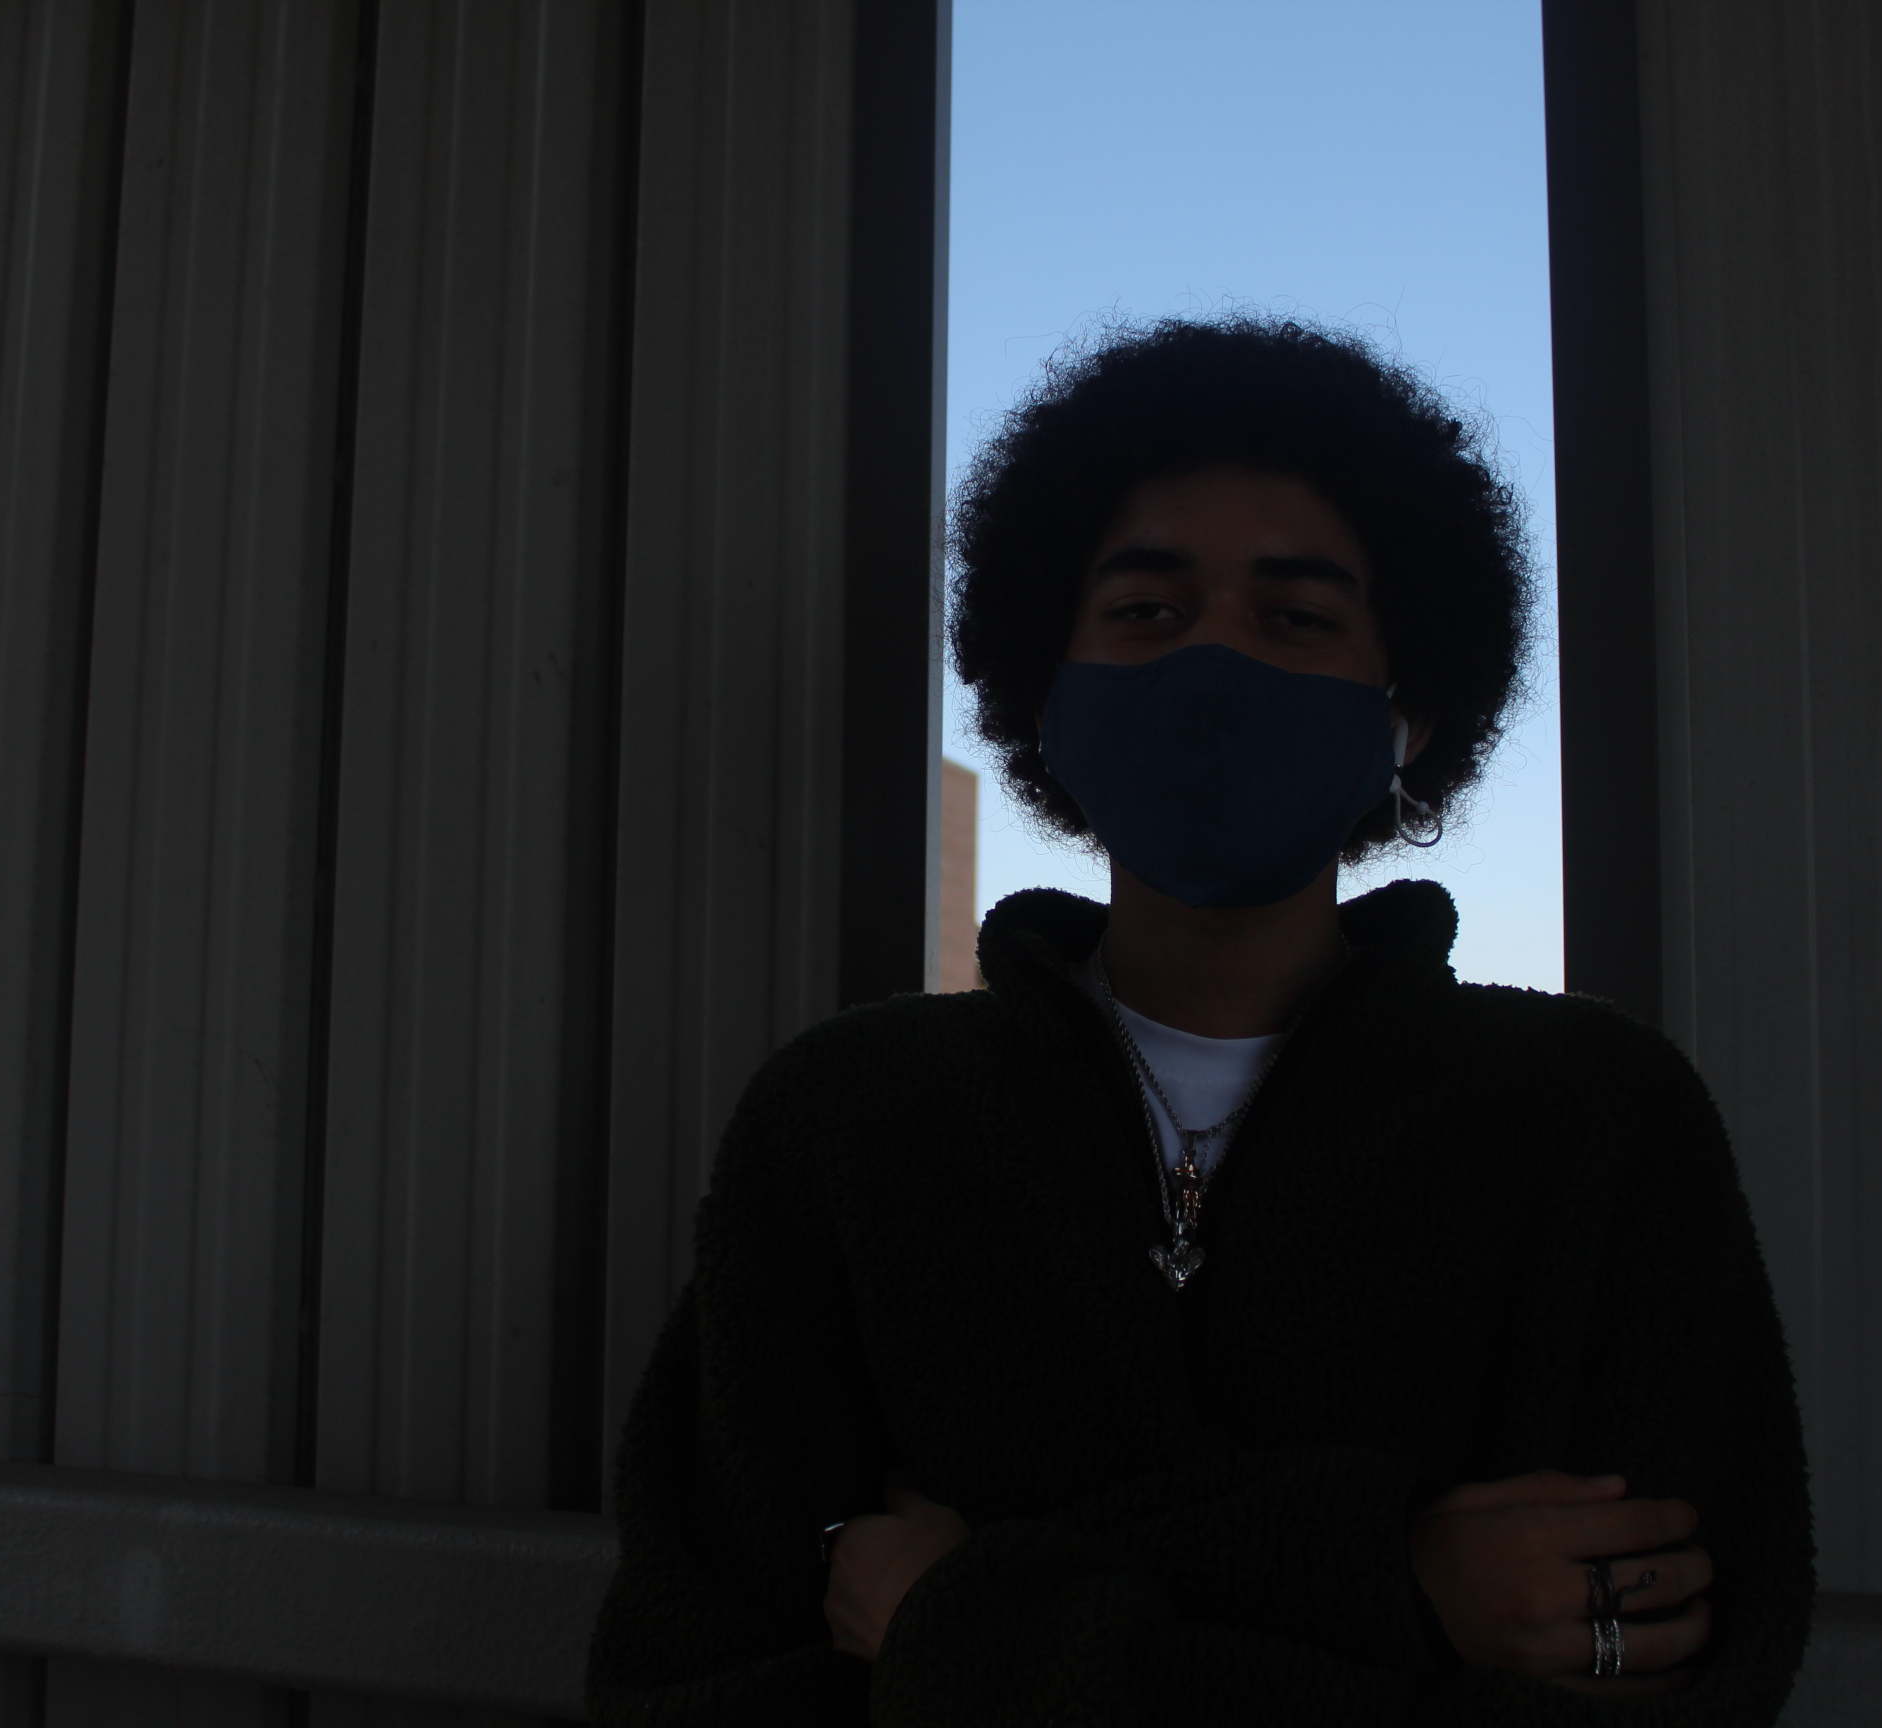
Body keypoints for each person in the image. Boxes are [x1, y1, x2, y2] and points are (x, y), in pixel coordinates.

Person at [584, 317, 1813, 1725]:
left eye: (1297, 618)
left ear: (1408, 717)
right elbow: (692, 1677)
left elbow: (1683, 1685)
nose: (1215, 662)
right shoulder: (846, 1124)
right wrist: (1398, 1586)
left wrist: (958, 1620)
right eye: (1147, 612)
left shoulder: (1597, 1124)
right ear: (1046, 698)